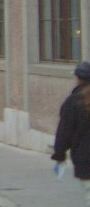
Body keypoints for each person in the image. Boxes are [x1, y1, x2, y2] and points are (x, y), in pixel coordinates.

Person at [52, 61, 90, 205]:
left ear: (78, 79)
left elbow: (64, 132)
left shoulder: (74, 102)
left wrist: (60, 155)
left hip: (85, 160)